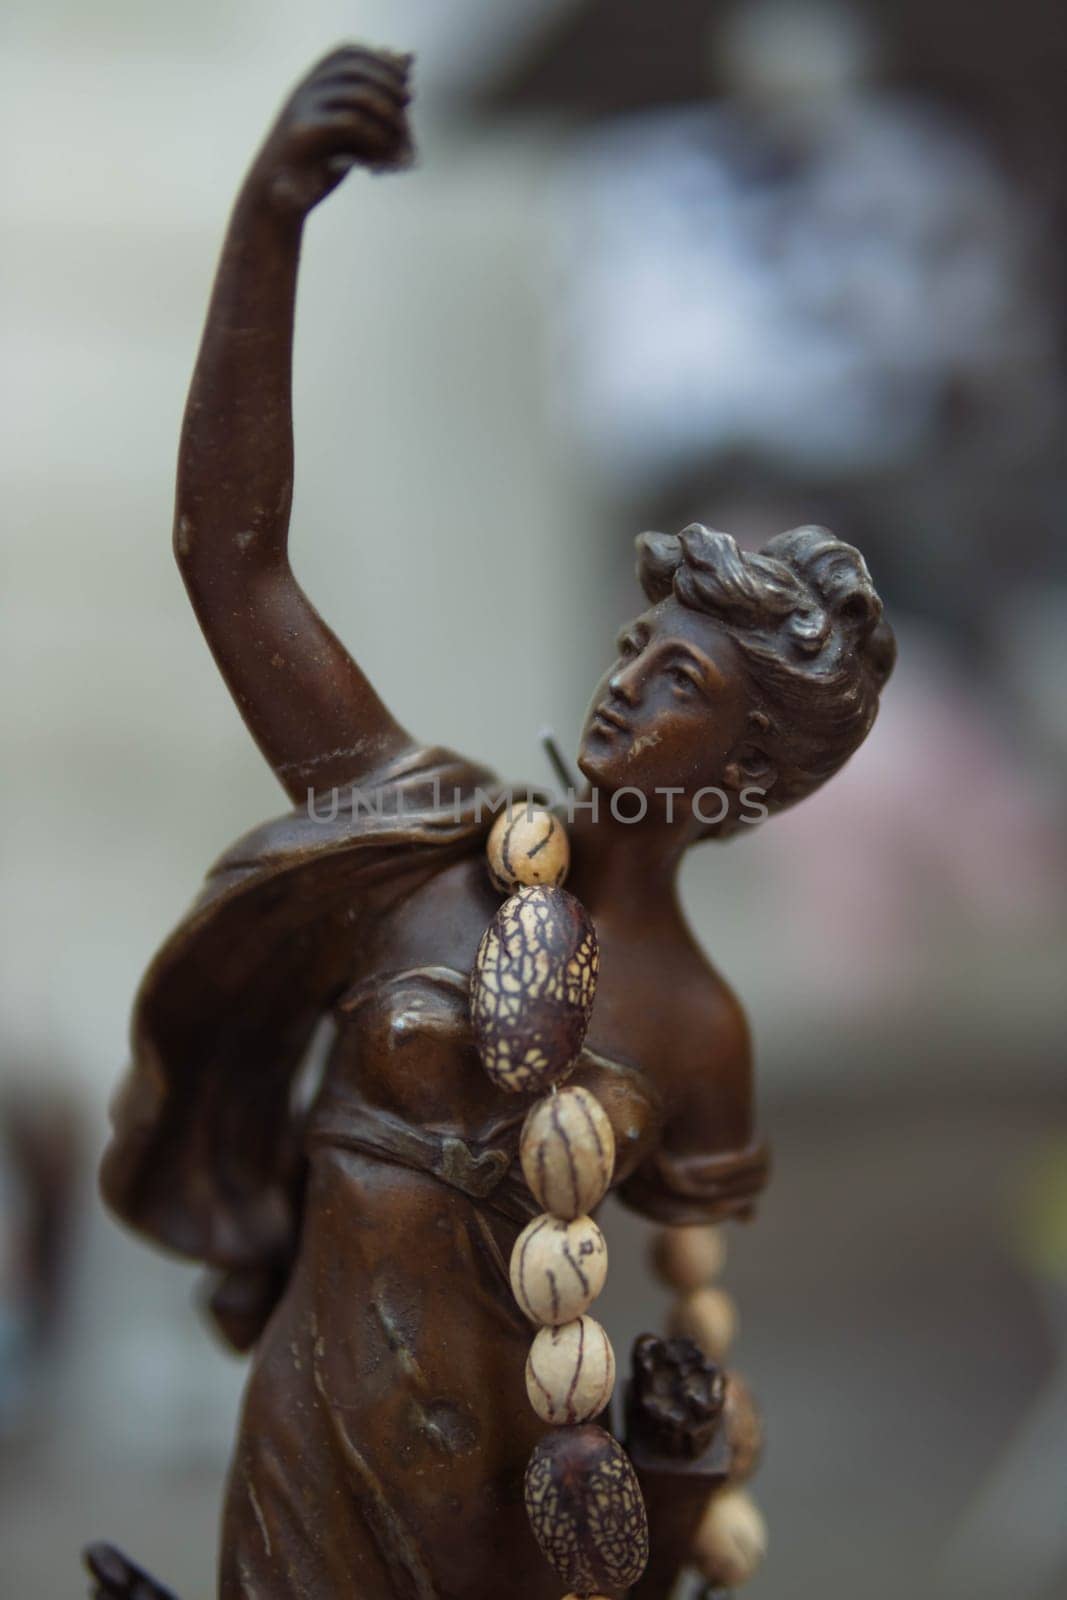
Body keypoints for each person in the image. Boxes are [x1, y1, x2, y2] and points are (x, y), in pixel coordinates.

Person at [97, 46, 894, 1600]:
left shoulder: (700, 1035)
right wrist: (272, 220)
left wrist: (675, 1473)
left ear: (750, 771)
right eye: (631, 646)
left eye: (677, 683)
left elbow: (690, 1329)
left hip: (514, 1522)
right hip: (318, 1448)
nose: (622, 685)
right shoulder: (426, 848)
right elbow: (236, 565)